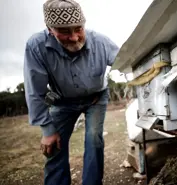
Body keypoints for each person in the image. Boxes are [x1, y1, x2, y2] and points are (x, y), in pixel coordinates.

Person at [23, 0, 119, 184]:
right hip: (61, 100)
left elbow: (129, 60)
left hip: (96, 98)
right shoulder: (36, 46)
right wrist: (47, 130)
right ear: (50, 29)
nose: (74, 37)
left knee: (93, 141)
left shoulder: (101, 41)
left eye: (78, 29)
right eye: (65, 31)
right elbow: (35, 91)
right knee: (54, 146)